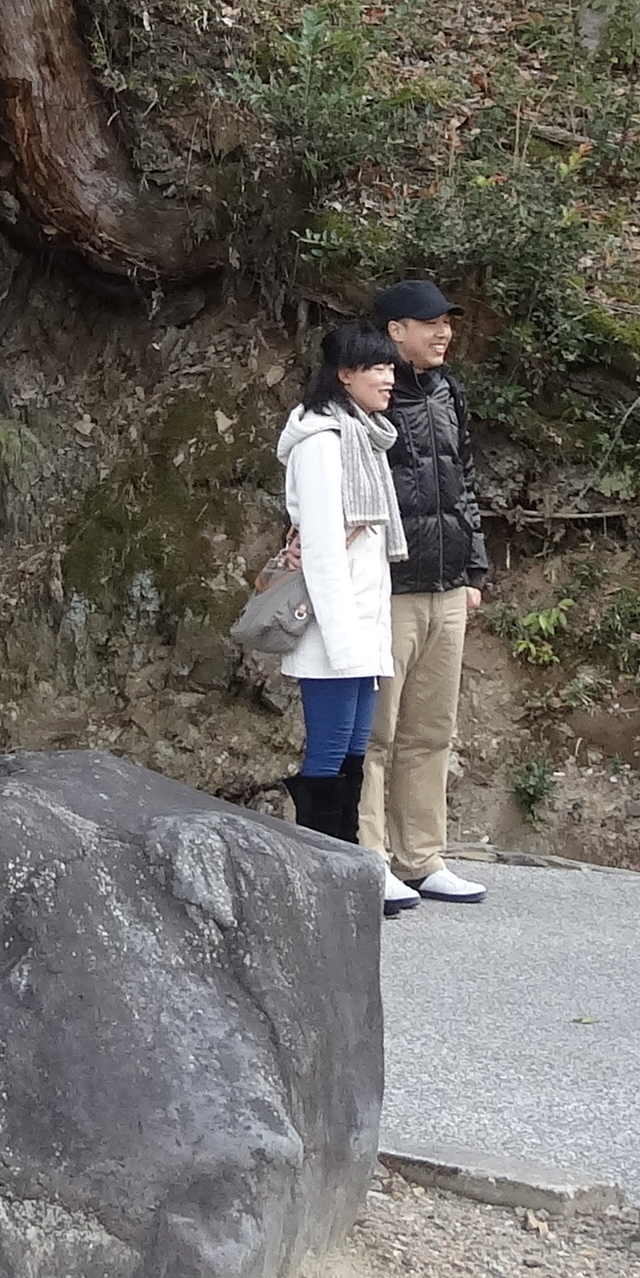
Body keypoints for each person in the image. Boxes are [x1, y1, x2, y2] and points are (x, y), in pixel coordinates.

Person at [363, 278, 490, 908]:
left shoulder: (447, 392)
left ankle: (423, 858)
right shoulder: (368, 400)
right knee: (375, 733)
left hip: (447, 585)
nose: (443, 332)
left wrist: (474, 570)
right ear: (395, 331)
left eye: (447, 322)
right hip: (388, 588)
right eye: (429, 322)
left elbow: (465, 481)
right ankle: (369, 860)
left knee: (431, 730)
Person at [271, 322, 405, 874]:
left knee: (354, 753)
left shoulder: (365, 438)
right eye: (377, 367)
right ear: (344, 376)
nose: (389, 378)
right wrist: (348, 640)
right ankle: (323, 872)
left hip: (362, 626)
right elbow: (324, 551)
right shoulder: (323, 444)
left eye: (391, 367)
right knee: (328, 754)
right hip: (334, 630)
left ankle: (353, 868)